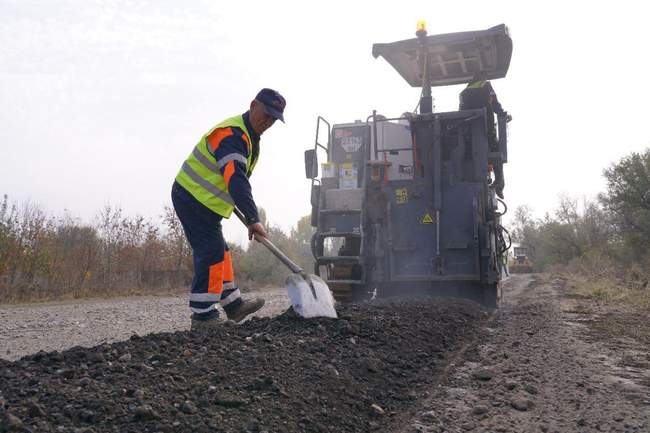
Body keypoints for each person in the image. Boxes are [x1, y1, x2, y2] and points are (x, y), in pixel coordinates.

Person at [172, 88, 286, 330]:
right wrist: (254, 218)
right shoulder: (232, 135)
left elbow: (236, 179)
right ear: (253, 105)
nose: (267, 122)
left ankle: (233, 306)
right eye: (266, 114)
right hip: (192, 197)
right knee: (210, 252)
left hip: (205, 202)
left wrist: (249, 215)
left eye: (273, 119)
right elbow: (236, 179)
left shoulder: (249, 137)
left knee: (221, 253)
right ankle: (203, 317)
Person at [459, 74, 511, 198]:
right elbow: (495, 104)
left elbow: (460, 112)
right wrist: (503, 114)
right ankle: (499, 183)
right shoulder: (486, 85)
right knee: (496, 149)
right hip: (486, 129)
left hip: (467, 135)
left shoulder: (463, 92)